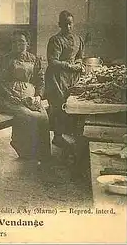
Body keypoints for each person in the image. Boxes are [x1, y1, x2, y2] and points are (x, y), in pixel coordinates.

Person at [0, 30, 51, 164]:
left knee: (43, 117)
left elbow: (40, 81)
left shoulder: (34, 59)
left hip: (29, 97)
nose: (18, 44)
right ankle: (25, 150)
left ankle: (42, 154)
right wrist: (10, 95)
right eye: (15, 42)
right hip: (8, 98)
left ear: (27, 44)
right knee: (28, 116)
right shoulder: (5, 59)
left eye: (21, 41)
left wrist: (38, 96)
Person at [45, 10, 85, 149]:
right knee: (58, 106)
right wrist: (70, 66)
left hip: (73, 77)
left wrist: (79, 64)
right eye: (65, 24)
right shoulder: (55, 40)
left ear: (73, 24)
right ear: (59, 25)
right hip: (57, 77)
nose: (68, 27)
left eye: (70, 24)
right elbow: (52, 61)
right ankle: (57, 137)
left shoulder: (78, 39)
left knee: (73, 106)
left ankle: (73, 135)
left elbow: (80, 57)